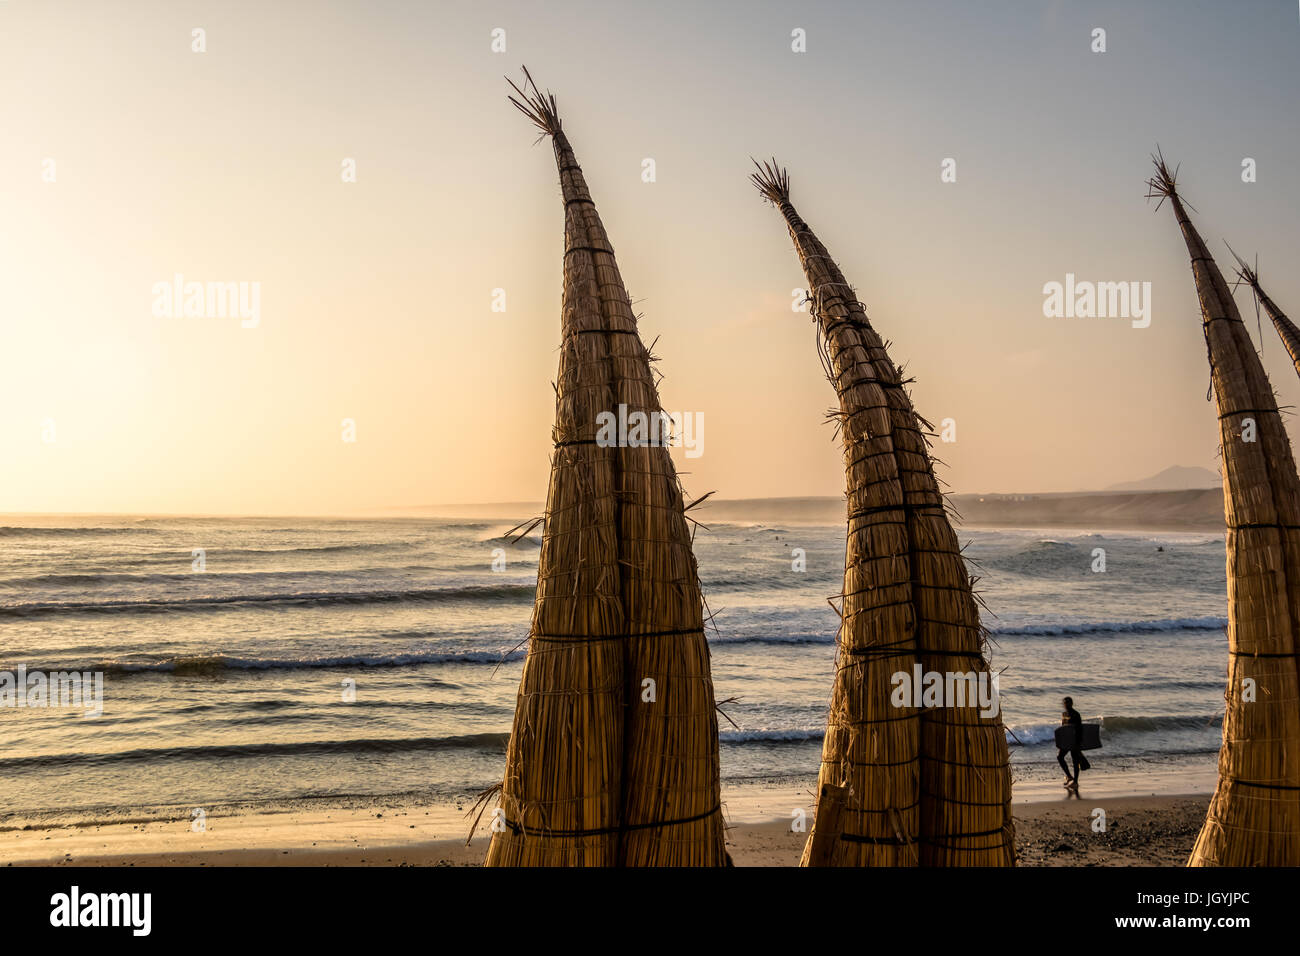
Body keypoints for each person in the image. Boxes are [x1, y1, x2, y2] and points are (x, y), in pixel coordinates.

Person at [1058, 696, 1085, 791]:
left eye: (1068, 703)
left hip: (1074, 741)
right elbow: (1063, 728)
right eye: (1065, 703)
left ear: (1071, 703)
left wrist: (1078, 744)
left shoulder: (1076, 714)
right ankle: (1069, 776)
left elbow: (1079, 730)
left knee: (1075, 761)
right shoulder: (1064, 714)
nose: (1066, 705)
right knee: (1060, 757)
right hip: (1066, 741)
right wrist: (1061, 741)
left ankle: (1076, 782)